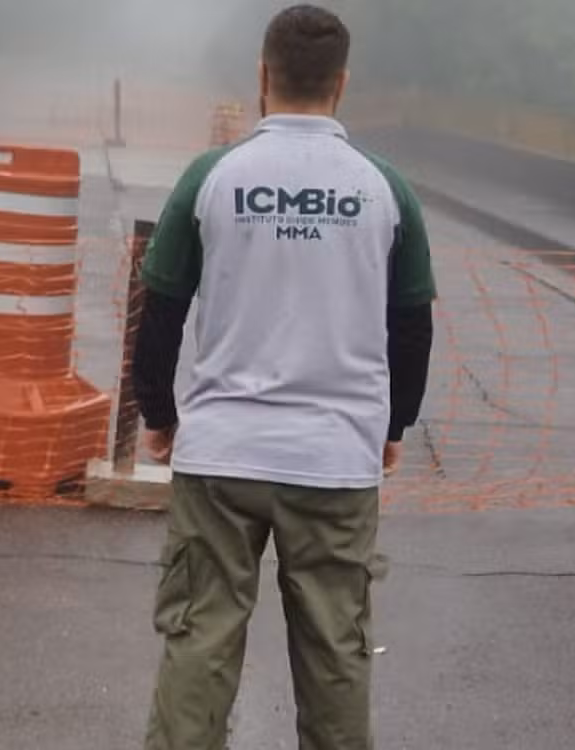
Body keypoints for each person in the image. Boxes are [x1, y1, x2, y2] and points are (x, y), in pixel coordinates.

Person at [132, 5, 436, 748]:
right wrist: (391, 426)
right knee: (335, 651)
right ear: (342, 83)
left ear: (263, 78)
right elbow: (413, 324)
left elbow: (160, 306)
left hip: (221, 456)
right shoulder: (383, 189)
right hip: (335, 462)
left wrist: (161, 413)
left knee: (201, 639)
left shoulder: (213, 177)